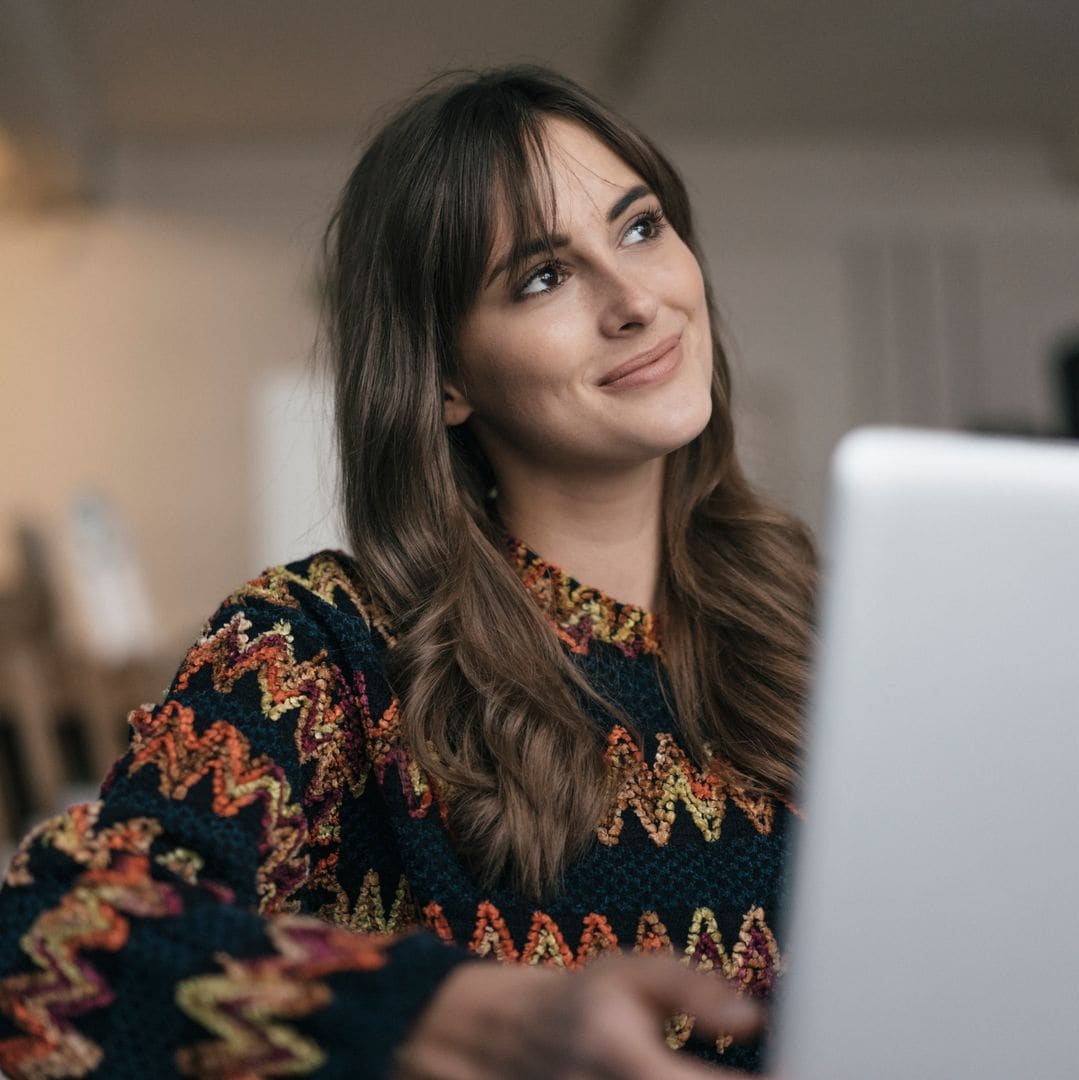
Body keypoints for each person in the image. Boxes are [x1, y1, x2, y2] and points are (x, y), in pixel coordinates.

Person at [0, 66, 815, 1078]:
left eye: (641, 228)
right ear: (444, 378)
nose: (636, 301)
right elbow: (47, 949)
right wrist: (455, 1017)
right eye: (543, 276)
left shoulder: (834, 620)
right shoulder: (324, 642)